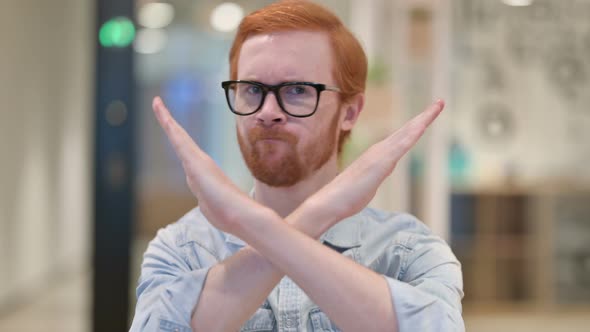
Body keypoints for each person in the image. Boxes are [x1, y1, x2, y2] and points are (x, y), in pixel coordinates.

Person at [129, 0, 464, 331]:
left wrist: (248, 222)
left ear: (349, 112)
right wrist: (318, 215)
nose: (267, 111)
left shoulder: (407, 251)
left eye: (298, 90)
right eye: (252, 89)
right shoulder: (185, 249)